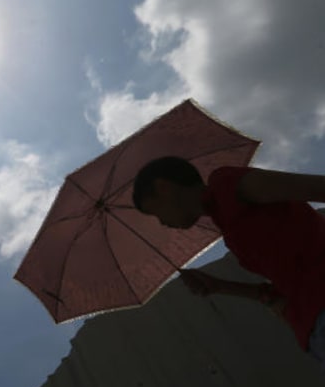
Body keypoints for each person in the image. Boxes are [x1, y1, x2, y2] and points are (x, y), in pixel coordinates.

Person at [132, 156, 325, 365]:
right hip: (312, 332)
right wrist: (219, 286)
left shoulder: (227, 185)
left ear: (163, 188)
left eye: (155, 212)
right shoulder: (227, 226)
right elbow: (286, 287)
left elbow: (317, 188)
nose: (162, 223)